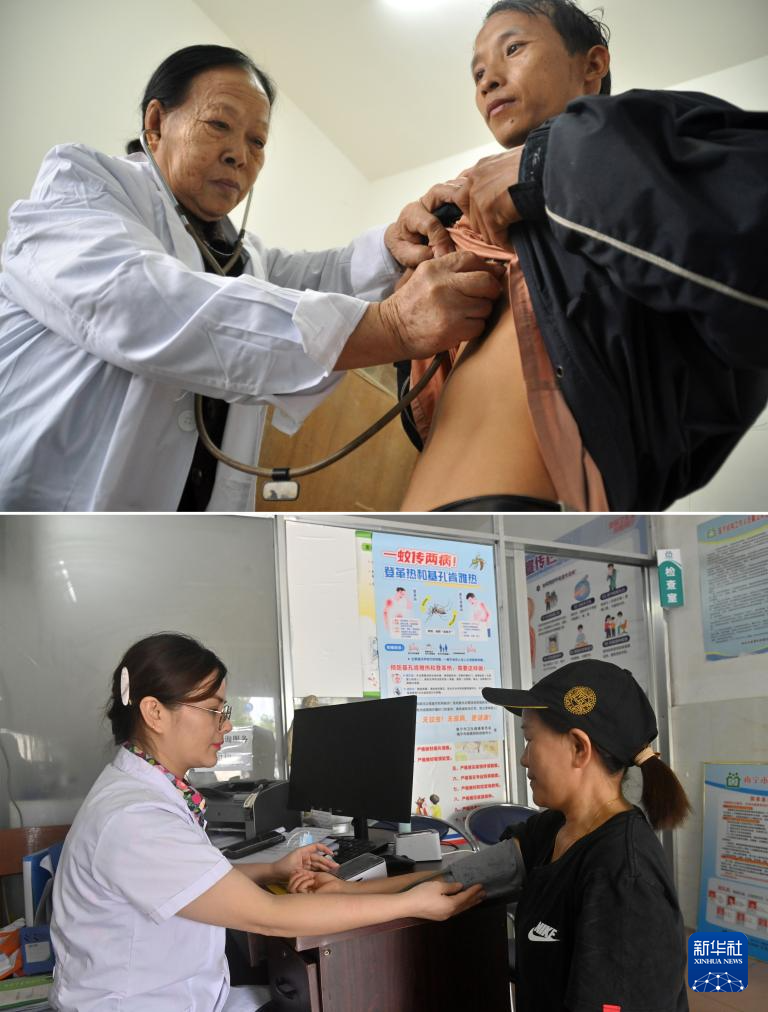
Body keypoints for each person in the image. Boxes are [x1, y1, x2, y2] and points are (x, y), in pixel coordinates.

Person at [0, 45, 503, 511]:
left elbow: (317, 276)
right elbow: (141, 304)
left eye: (256, 141)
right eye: (219, 124)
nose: (239, 155)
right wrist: (391, 326)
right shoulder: (79, 184)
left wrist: (393, 247)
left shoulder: (243, 257)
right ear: (156, 123)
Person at [388, 0, 768, 512]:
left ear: (592, 64)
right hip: (413, 532)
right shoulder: (462, 214)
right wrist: (410, 268)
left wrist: (545, 165)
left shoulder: (652, 129)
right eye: (477, 73)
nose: (488, 79)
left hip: (542, 531)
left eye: (513, 48)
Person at [49, 633, 483, 1011]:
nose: (226, 725)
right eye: (214, 710)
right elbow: (271, 915)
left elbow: (192, 881)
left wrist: (272, 869)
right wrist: (413, 904)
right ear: (155, 712)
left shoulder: (142, 790)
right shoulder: (136, 817)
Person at [289, 659, 692, 1011]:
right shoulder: (553, 829)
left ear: (578, 748)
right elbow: (458, 877)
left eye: (529, 739)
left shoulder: (624, 878)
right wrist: (346, 890)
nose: (524, 758)